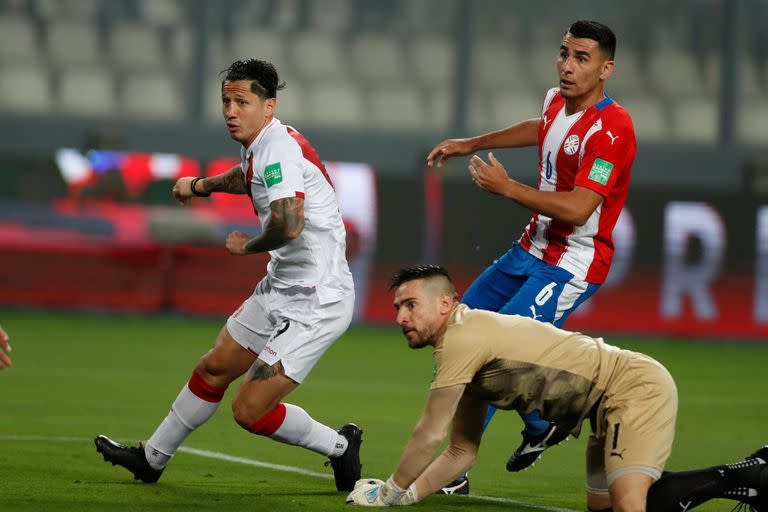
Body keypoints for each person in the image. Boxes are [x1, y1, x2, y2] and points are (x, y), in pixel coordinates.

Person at [94, 59, 362, 492]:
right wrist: (201, 185)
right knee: (214, 368)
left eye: (242, 101)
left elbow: (288, 223)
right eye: (225, 101)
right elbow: (247, 176)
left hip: (319, 299)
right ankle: (152, 458)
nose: (230, 111)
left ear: (269, 106)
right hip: (282, 284)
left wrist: (249, 245)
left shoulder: (278, 148)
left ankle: (340, 447)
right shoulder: (260, 144)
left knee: (249, 410)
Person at [346, 265, 768, 511]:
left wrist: (389, 491)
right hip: (601, 409)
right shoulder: (461, 350)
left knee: (628, 505)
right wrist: (409, 497)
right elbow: (461, 451)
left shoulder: (462, 337)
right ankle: (742, 479)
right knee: (604, 508)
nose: (401, 316)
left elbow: (429, 432)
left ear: (446, 302)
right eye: (397, 306)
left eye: (411, 304)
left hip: (631, 387)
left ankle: (739, 473)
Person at [425, 20, 636, 484]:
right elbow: (542, 128)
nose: (567, 65)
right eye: (563, 53)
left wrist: (508, 188)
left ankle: (463, 464)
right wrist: (472, 143)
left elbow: (581, 209)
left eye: (581, 58)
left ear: (606, 69)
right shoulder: (555, 101)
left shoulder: (613, 130)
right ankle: (543, 424)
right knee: (454, 337)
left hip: (570, 265)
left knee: (493, 356)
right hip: (529, 249)